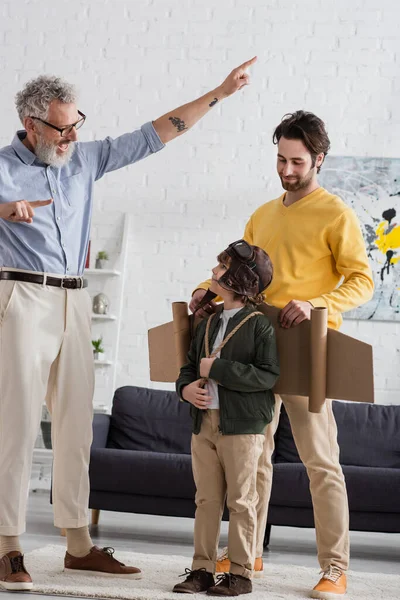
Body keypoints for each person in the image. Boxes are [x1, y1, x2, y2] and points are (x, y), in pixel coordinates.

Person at [0, 57, 257, 592]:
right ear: (30, 124)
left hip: (74, 297)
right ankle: (8, 548)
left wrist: (220, 92)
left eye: (76, 124)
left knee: (74, 425)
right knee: (15, 425)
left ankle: (77, 544)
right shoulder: (2, 166)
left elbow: (157, 133)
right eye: (60, 127)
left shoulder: (84, 159)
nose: (70, 135)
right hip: (20, 294)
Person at [190, 111, 374, 599]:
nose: (287, 170)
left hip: (307, 348)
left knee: (321, 462)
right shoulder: (263, 215)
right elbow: (238, 272)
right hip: (253, 344)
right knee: (255, 458)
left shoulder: (336, 214)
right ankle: (247, 556)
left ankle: (336, 567)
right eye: (280, 160)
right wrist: (206, 290)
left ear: (318, 159)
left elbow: (363, 280)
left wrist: (316, 302)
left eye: (297, 162)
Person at [172, 240, 280, 596]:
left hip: (243, 428)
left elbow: (267, 376)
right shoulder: (207, 324)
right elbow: (188, 369)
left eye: (220, 268)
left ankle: (239, 573)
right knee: (206, 500)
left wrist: (218, 368)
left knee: (242, 501)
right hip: (204, 423)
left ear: (237, 279)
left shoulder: (258, 326)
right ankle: (201, 569)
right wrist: (186, 389)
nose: (214, 273)